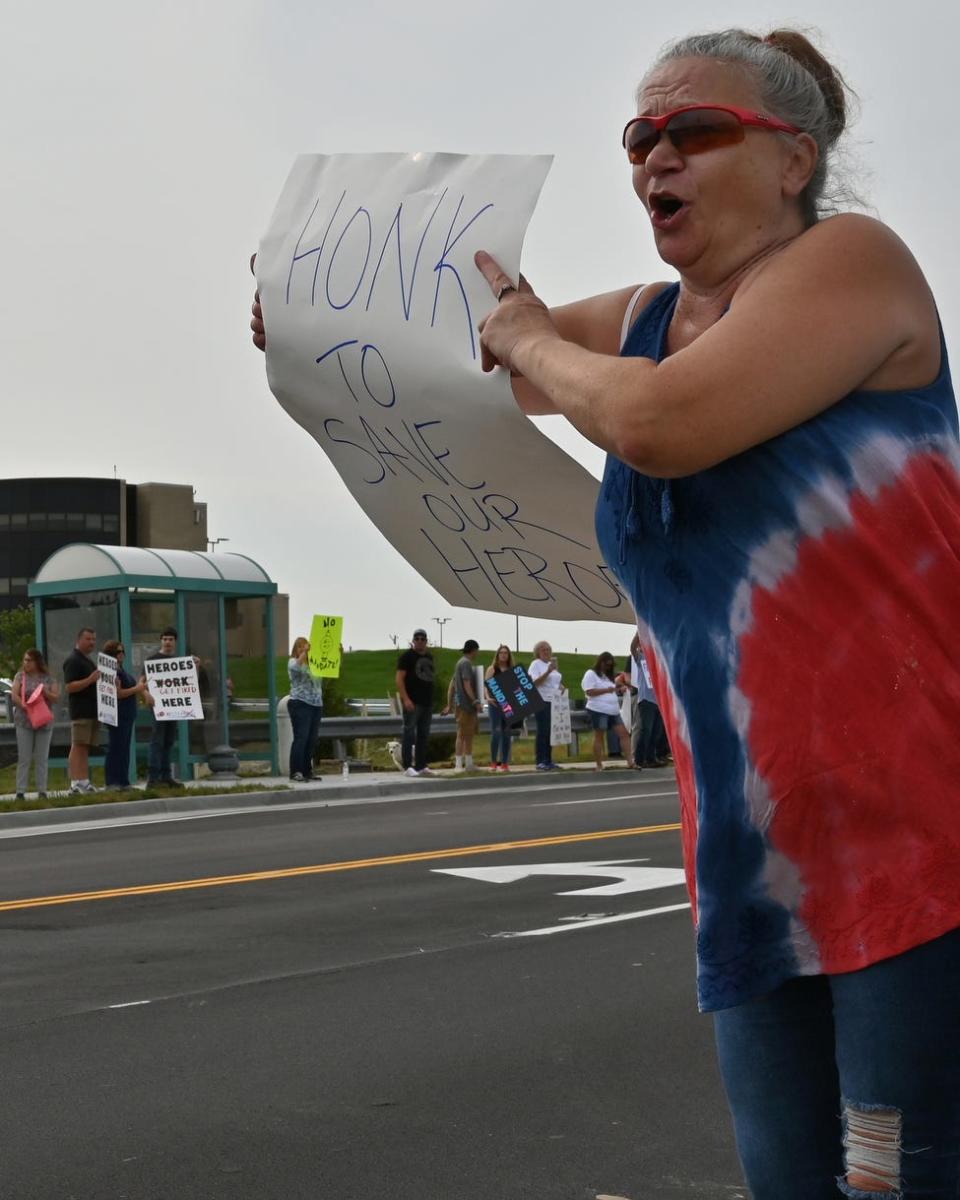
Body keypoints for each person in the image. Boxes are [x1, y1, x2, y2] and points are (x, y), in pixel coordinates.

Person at [470, 28, 960, 1198]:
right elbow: (474, 366)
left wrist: (531, 334)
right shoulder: (644, 324)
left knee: (897, 1185)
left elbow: (655, 424)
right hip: (754, 866)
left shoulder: (854, 264)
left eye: (696, 132)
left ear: (794, 160)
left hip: (916, 852)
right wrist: (318, 343)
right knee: (790, 1186)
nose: (656, 160)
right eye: (641, 138)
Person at [11, 648, 59, 799]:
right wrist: (24, 705)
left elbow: (56, 698)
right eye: (24, 660)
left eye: (29, 660)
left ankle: (42, 790)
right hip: (24, 721)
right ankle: (20, 791)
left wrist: (46, 692)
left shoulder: (48, 678)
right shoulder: (20, 677)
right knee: (24, 757)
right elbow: (14, 695)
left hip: (43, 722)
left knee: (41, 757)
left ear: (37, 661)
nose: (26, 663)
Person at [101, 639, 147, 790]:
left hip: (128, 714)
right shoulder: (111, 671)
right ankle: (112, 781)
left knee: (125, 749)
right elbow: (118, 693)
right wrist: (138, 688)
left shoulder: (122, 670)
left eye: (122, 651)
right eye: (117, 652)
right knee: (116, 748)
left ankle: (123, 780)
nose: (121, 654)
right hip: (118, 715)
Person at [143, 627, 184, 789]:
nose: (167, 642)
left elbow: (186, 681)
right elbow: (142, 682)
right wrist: (146, 695)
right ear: (161, 640)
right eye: (165, 639)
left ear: (175, 642)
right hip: (158, 707)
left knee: (168, 741)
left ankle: (166, 776)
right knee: (157, 741)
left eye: (171, 639)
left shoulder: (178, 661)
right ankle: (153, 778)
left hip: (172, 707)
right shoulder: (153, 660)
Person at [62, 627, 100, 794]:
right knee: (77, 746)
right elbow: (70, 687)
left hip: (92, 711)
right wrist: (90, 679)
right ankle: (75, 783)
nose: (91, 642)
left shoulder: (88, 660)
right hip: (80, 711)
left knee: (85, 747)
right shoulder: (73, 660)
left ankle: (84, 781)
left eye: (93, 639)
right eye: (88, 639)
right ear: (79, 640)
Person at [581, 652, 633, 771]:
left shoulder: (608, 677)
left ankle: (630, 761)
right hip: (598, 709)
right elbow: (589, 692)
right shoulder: (591, 674)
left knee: (624, 734)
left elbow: (613, 690)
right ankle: (599, 764)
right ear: (601, 663)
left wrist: (619, 690)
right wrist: (607, 690)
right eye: (606, 665)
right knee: (599, 735)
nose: (608, 668)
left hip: (613, 710)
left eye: (610, 666)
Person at [395, 629, 435, 778]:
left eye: (422, 639)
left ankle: (421, 765)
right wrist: (405, 699)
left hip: (427, 701)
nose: (419, 641)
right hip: (412, 701)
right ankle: (407, 766)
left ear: (426, 641)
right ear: (413, 640)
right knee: (409, 733)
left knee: (423, 735)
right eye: (417, 638)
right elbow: (399, 679)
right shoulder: (407, 657)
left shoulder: (429, 657)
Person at [287, 636, 324, 782]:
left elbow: (330, 671)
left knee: (311, 739)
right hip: (300, 703)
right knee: (301, 738)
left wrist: (337, 654)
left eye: (305, 646)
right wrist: (305, 653)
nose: (304, 649)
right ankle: (296, 771)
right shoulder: (293, 662)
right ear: (296, 650)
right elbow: (296, 667)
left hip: (316, 704)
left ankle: (307, 770)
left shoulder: (314, 664)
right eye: (300, 647)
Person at [442, 639, 482, 771]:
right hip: (465, 705)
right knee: (462, 734)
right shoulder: (465, 664)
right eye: (477, 651)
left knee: (468, 734)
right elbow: (466, 684)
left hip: (462, 705)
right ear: (474, 650)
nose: (478, 653)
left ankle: (469, 763)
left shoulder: (460, 663)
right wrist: (475, 701)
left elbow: (452, 686)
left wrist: (449, 704)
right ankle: (459, 764)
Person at [528, 640, 563, 771]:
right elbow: (534, 683)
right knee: (543, 730)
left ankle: (548, 759)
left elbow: (555, 682)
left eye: (548, 649)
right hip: (541, 699)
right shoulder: (536, 664)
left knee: (550, 731)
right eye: (543, 649)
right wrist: (548, 672)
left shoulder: (551, 665)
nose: (546, 652)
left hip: (553, 700)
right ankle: (540, 760)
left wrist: (561, 687)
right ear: (538, 652)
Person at [484, 644, 515, 771]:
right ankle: (493, 762)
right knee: (496, 732)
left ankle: (505, 762)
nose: (503, 655)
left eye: (506, 653)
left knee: (507, 733)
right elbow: (486, 685)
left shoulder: (511, 669)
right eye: (501, 653)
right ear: (497, 655)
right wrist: (487, 697)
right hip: (495, 704)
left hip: (507, 705)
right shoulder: (492, 669)